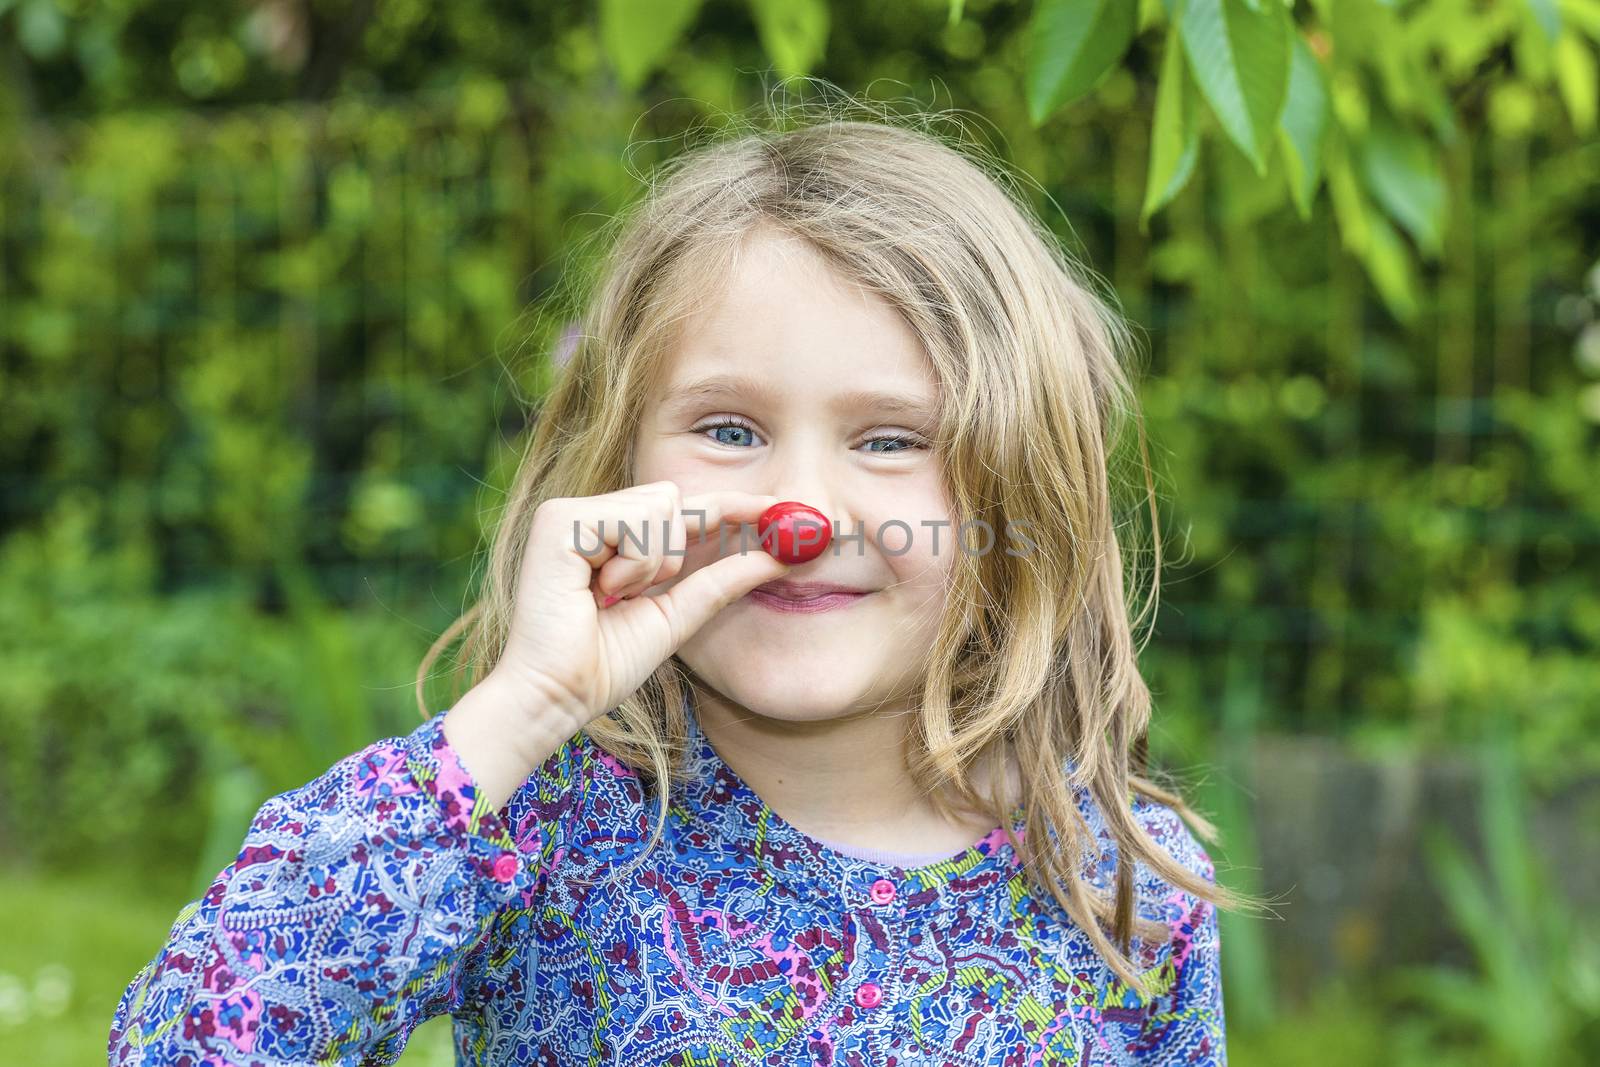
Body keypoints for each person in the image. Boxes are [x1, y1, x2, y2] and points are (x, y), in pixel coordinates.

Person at [109, 95, 1256, 1065]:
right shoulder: (546, 821)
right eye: (727, 427)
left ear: (1023, 493)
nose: (798, 514)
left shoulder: (1121, 885)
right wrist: (521, 711)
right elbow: (188, 1040)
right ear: (614, 465)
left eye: (892, 439)